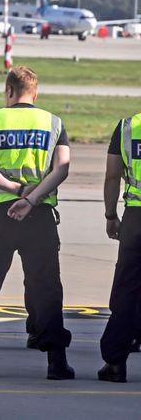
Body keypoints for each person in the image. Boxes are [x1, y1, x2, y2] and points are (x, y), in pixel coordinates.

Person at [0, 66, 74, 380]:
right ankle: (56, 361)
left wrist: (16, 190)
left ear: (8, 91)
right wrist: (32, 198)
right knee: (45, 286)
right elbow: (62, 169)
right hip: (40, 215)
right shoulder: (53, 122)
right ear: (35, 93)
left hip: (0, 214)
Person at [98, 112, 141, 383]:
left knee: (127, 289)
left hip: (136, 218)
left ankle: (115, 363)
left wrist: (111, 215)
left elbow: (113, 175)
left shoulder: (128, 127)